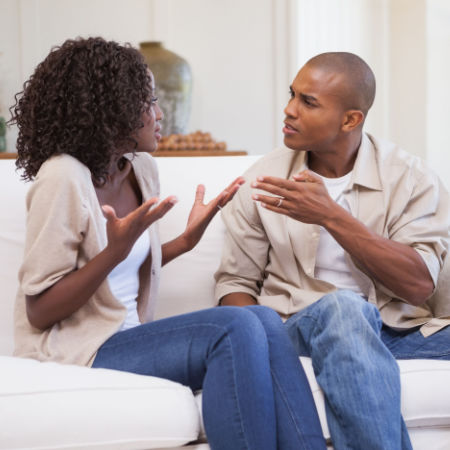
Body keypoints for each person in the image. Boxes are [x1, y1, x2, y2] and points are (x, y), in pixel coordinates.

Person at [10, 37, 327, 450]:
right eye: (149, 102)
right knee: (232, 326)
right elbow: (40, 309)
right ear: (114, 108)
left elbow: (126, 270)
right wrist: (114, 252)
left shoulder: (140, 169)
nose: (160, 115)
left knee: (263, 320)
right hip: (77, 352)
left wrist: (183, 242)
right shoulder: (63, 177)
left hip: (128, 339)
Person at [215, 51, 450, 450]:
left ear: (350, 119)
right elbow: (234, 284)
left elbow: (417, 286)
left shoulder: (410, 177)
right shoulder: (263, 180)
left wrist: (331, 217)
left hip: (394, 330)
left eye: (308, 102)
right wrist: (259, 349)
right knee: (345, 308)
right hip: (298, 327)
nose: (289, 110)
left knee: (357, 317)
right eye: (293, 95)